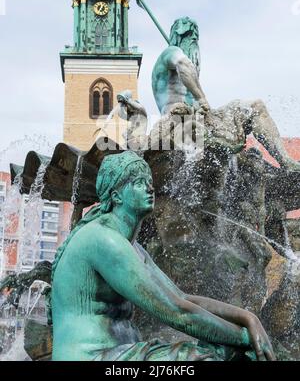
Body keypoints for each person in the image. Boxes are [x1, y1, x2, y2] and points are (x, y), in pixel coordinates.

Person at [51, 151, 275, 361]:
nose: (149, 188)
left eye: (149, 182)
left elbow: (180, 298)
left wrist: (247, 318)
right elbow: (178, 314)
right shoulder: (104, 240)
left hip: (119, 352)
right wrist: (246, 338)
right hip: (90, 355)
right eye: (139, 183)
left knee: (225, 350)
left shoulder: (132, 246)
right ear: (117, 196)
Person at [152, 18, 300, 171]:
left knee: (255, 106)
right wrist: (202, 99)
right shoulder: (170, 53)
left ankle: (285, 161)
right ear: (177, 36)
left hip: (203, 118)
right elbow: (184, 66)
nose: (194, 38)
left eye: (196, 35)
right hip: (178, 121)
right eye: (189, 34)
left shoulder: (190, 75)